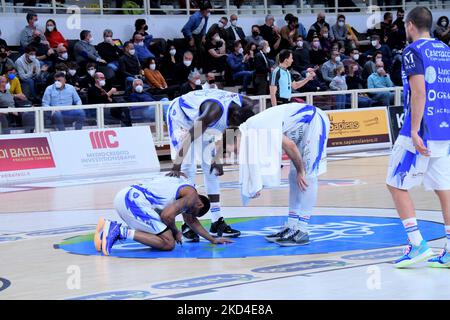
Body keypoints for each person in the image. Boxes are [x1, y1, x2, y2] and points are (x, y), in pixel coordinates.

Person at [386, 7, 450, 268]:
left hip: (422, 129)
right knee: (444, 190)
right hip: (444, 130)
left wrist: (413, 130)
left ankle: (417, 244)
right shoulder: (445, 50)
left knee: (395, 183)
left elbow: (419, 91)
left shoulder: (413, 51)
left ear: (410, 25)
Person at [166, 89, 256, 242]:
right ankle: (187, 223)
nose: (234, 127)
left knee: (212, 169)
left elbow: (233, 129)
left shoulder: (246, 105)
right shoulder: (213, 112)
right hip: (181, 116)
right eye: (235, 123)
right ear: (234, 115)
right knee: (188, 169)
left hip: (204, 122)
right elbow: (189, 137)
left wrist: (219, 157)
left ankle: (217, 220)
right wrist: (176, 166)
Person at [239, 103, 330, 246]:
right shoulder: (252, 126)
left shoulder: (257, 126)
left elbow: (290, 146)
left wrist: (301, 170)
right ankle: (292, 225)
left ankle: (303, 229)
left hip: (314, 121)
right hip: (300, 127)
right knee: (294, 176)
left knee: (308, 176)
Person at [93, 175, 232, 255]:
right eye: (191, 212)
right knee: (168, 242)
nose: (188, 215)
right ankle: (120, 231)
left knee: (160, 238)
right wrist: (175, 231)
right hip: (133, 200)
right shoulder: (192, 195)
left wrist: (212, 239)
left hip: (125, 197)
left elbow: (192, 221)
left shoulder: (185, 189)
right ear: (199, 204)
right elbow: (167, 215)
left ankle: (105, 232)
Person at [181, 0, 212, 70]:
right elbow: (186, 29)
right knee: (194, 50)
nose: (209, 12)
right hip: (190, 34)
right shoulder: (194, 17)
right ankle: (192, 67)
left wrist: (204, 36)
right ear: (203, 10)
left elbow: (204, 27)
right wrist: (190, 38)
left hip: (198, 35)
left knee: (202, 49)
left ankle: (201, 67)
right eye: (208, 10)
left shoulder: (206, 17)